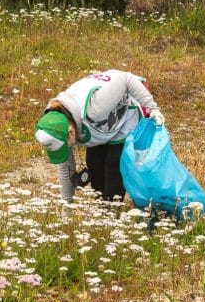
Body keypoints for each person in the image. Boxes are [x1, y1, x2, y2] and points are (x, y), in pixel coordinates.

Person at [34, 69, 165, 203]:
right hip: (99, 125)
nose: (68, 148)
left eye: (67, 145)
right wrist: (66, 207)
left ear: (71, 132)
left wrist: (152, 108)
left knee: (114, 165)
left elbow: (126, 79)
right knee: (95, 164)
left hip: (125, 114)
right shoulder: (54, 125)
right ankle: (101, 208)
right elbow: (66, 168)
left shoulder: (95, 108)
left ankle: (112, 210)